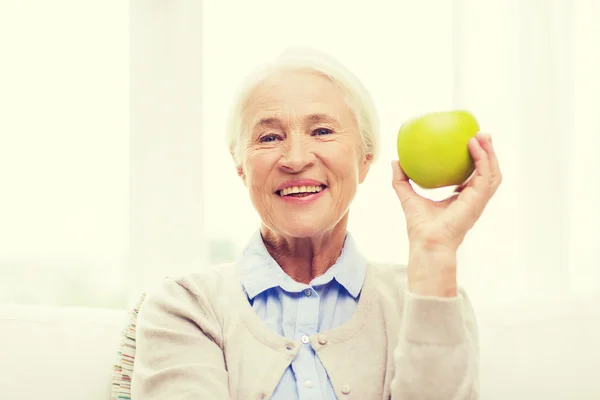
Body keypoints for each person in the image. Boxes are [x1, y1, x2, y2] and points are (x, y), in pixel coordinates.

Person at [131, 47, 502, 400]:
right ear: (240, 164)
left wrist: (434, 252)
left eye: (322, 131)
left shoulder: (428, 299)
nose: (295, 158)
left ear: (365, 157)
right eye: (269, 137)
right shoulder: (186, 307)